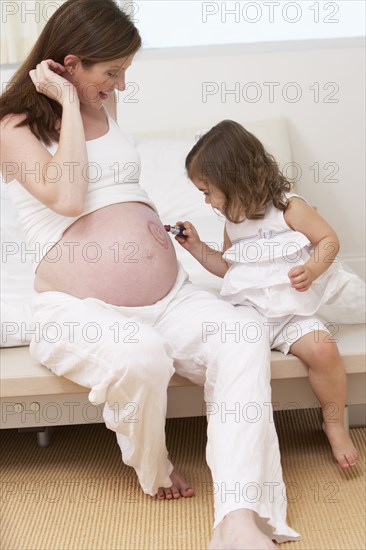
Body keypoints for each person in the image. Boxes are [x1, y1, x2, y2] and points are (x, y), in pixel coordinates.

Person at [0, 2, 300, 548]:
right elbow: (68, 198)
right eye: (110, 73)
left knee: (242, 334)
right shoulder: (12, 125)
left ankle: (238, 518)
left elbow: (117, 190)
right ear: (69, 63)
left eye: (124, 72)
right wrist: (67, 101)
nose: (119, 85)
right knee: (141, 357)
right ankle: (152, 464)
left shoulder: (107, 105)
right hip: (79, 309)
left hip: (171, 297)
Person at [179, 119, 358, 471]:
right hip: (251, 314)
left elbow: (328, 240)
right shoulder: (234, 222)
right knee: (235, 356)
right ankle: (243, 434)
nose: (206, 199)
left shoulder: (290, 208)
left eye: (207, 190)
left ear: (234, 180)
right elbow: (231, 268)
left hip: (292, 312)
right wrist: (198, 248)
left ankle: (334, 422)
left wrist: (313, 269)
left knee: (324, 349)